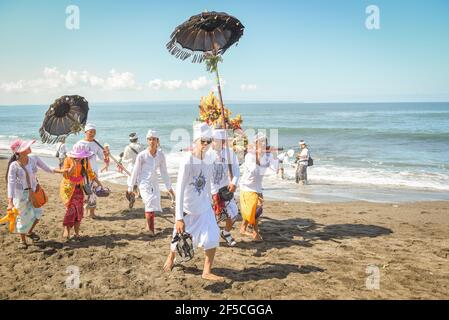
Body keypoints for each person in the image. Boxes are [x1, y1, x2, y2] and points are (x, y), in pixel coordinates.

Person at [163, 123, 223, 281]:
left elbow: (209, 182)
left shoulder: (210, 157)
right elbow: (180, 189)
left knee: (213, 237)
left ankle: (206, 271)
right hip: (187, 209)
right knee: (178, 238)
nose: (205, 144)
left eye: (208, 141)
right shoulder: (187, 160)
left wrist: (213, 200)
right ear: (195, 140)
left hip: (204, 207)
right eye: (202, 141)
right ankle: (171, 257)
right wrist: (178, 217)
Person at [6, 139, 66, 249]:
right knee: (22, 218)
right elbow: (11, 184)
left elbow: (47, 168)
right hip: (21, 195)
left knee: (38, 214)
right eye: (26, 147)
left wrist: (62, 171)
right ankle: (22, 240)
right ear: (20, 151)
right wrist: (10, 202)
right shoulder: (14, 165)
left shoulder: (34, 158)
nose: (29, 147)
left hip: (34, 192)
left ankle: (29, 232)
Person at [128, 129, 175, 236]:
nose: (151, 141)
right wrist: (130, 187)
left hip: (154, 183)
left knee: (153, 205)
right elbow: (135, 171)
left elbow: (164, 172)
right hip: (143, 183)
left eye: (154, 139)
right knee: (149, 203)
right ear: (147, 141)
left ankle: (148, 226)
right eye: (149, 139)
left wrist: (169, 187)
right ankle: (151, 230)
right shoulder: (142, 155)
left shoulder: (161, 155)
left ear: (157, 141)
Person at [239, 133, 279, 241]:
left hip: (257, 187)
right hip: (247, 187)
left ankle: (244, 227)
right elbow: (254, 170)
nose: (263, 144)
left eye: (264, 142)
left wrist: (275, 156)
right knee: (254, 210)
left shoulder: (267, 155)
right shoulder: (249, 156)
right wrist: (257, 155)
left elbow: (274, 170)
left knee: (256, 211)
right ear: (255, 144)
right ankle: (255, 233)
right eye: (260, 142)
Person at [60, 144, 103, 242]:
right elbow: (66, 175)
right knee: (70, 210)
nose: (81, 158)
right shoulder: (68, 160)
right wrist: (74, 165)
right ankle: (66, 230)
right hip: (68, 189)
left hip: (79, 189)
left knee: (79, 212)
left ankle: (76, 233)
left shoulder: (85, 161)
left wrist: (100, 184)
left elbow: (90, 173)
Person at [207, 128, 240, 247]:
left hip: (226, 189)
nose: (217, 143)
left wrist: (234, 182)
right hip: (212, 191)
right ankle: (211, 236)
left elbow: (236, 170)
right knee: (216, 216)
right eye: (215, 140)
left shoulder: (229, 153)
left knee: (234, 214)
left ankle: (225, 232)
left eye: (220, 140)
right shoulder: (207, 154)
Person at [73, 123, 106, 218]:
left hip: (94, 171)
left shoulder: (96, 143)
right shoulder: (79, 144)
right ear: (85, 132)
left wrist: (106, 154)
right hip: (83, 172)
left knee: (94, 191)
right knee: (87, 191)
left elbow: (101, 157)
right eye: (90, 132)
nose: (92, 134)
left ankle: (91, 213)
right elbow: (74, 158)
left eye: (94, 132)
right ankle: (85, 210)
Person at [122, 133, 144, 205]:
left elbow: (124, 159)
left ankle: (134, 193)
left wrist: (130, 160)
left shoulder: (127, 147)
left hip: (131, 166)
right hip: (140, 166)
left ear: (130, 139)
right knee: (139, 180)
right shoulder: (141, 146)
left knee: (131, 180)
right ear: (137, 139)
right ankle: (139, 194)